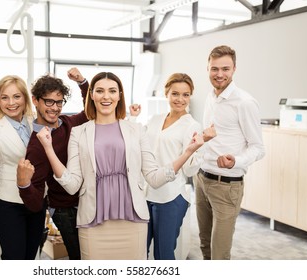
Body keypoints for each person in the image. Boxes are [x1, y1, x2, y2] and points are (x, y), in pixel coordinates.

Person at [28, 71, 204, 260]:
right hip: (92, 224)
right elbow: (72, 185)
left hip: (133, 222)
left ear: (119, 95)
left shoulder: (136, 130)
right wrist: (48, 149)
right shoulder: (78, 132)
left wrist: (188, 152)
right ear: (92, 95)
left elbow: (154, 178)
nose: (106, 96)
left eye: (112, 91)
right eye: (100, 91)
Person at [129, 73, 215, 260]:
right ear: (166, 93)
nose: (180, 99)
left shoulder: (192, 125)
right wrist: (133, 118)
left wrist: (201, 146)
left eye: (186, 95)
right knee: (139, 251)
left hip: (171, 197)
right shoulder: (155, 119)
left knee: (164, 254)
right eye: (175, 94)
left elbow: (190, 170)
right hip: (145, 194)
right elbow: (135, 143)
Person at [194, 45, 265, 260]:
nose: (219, 74)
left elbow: (258, 147)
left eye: (225, 68)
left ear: (234, 69)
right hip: (202, 179)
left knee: (219, 253)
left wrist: (236, 161)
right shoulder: (210, 97)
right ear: (207, 69)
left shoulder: (245, 102)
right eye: (214, 69)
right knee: (205, 245)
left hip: (227, 186)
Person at [16, 68, 89, 260]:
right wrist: (23, 184)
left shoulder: (68, 123)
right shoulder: (36, 146)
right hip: (64, 210)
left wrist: (82, 82)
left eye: (59, 102)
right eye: (49, 101)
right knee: (80, 259)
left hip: (85, 202)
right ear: (35, 100)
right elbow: (34, 202)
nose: (54, 108)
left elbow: (92, 110)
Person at [0, 75, 46, 260]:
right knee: (13, 259)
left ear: (25, 98)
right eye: (4, 97)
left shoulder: (37, 122)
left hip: (37, 201)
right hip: (9, 203)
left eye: (16, 96)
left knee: (31, 257)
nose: (11, 103)